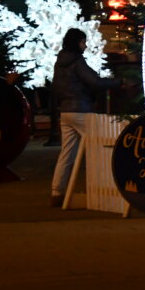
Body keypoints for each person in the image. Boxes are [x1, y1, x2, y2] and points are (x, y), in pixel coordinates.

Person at [50, 28, 121, 207]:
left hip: (66, 112)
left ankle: (57, 191)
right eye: (83, 42)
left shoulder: (60, 61)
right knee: (102, 146)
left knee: (67, 153)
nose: (85, 45)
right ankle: (109, 188)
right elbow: (94, 81)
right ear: (77, 42)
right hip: (81, 110)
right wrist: (118, 82)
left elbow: (56, 86)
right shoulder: (77, 61)